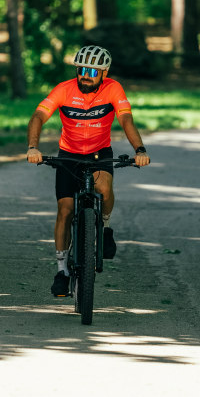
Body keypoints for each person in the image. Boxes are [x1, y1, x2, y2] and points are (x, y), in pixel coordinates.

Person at [26, 45, 151, 297]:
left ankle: (104, 227)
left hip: (98, 153)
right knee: (65, 210)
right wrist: (33, 147)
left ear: (104, 73)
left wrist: (139, 150)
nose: (86, 75)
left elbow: (126, 120)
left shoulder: (113, 89)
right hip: (68, 155)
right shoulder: (64, 90)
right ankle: (61, 269)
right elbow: (38, 116)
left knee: (103, 188)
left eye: (92, 71)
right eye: (82, 69)